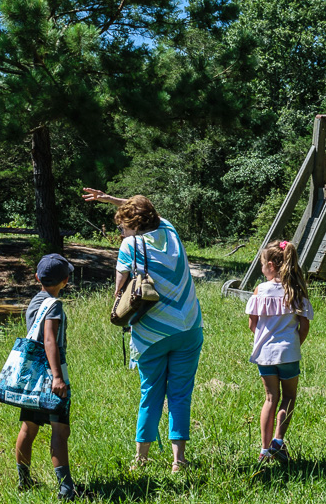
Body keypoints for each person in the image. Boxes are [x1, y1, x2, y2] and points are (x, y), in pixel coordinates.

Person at [82, 189, 203, 473]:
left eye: (122, 226)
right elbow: (148, 211)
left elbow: (118, 291)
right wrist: (110, 199)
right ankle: (179, 461)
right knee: (180, 394)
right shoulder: (170, 230)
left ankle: (141, 459)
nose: (121, 232)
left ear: (134, 225)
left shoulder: (131, 246)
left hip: (153, 334)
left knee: (151, 393)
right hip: (189, 327)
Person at [15, 253, 83, 500]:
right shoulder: (54, 305)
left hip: (32, 376)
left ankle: (24, 480)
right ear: (65, 280)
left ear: (37, 278)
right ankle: (66, 489)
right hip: (50, 377)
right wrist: (57, 377)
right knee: (60, 431)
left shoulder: (35, 301)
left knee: (28, 428)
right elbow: (49, 339)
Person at [245, 240, 313, 463]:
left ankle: (264, 450)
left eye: (262, 263)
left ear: (272, 265)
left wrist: (263, 340)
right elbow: (304, 326)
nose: (261, 267)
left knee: (270, 398)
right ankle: (278, 442)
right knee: (289, 397)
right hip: (288, 353)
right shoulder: (296, 290)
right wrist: (294, 344)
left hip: (264, 354)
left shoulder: (260, 290)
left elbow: (252, 323)